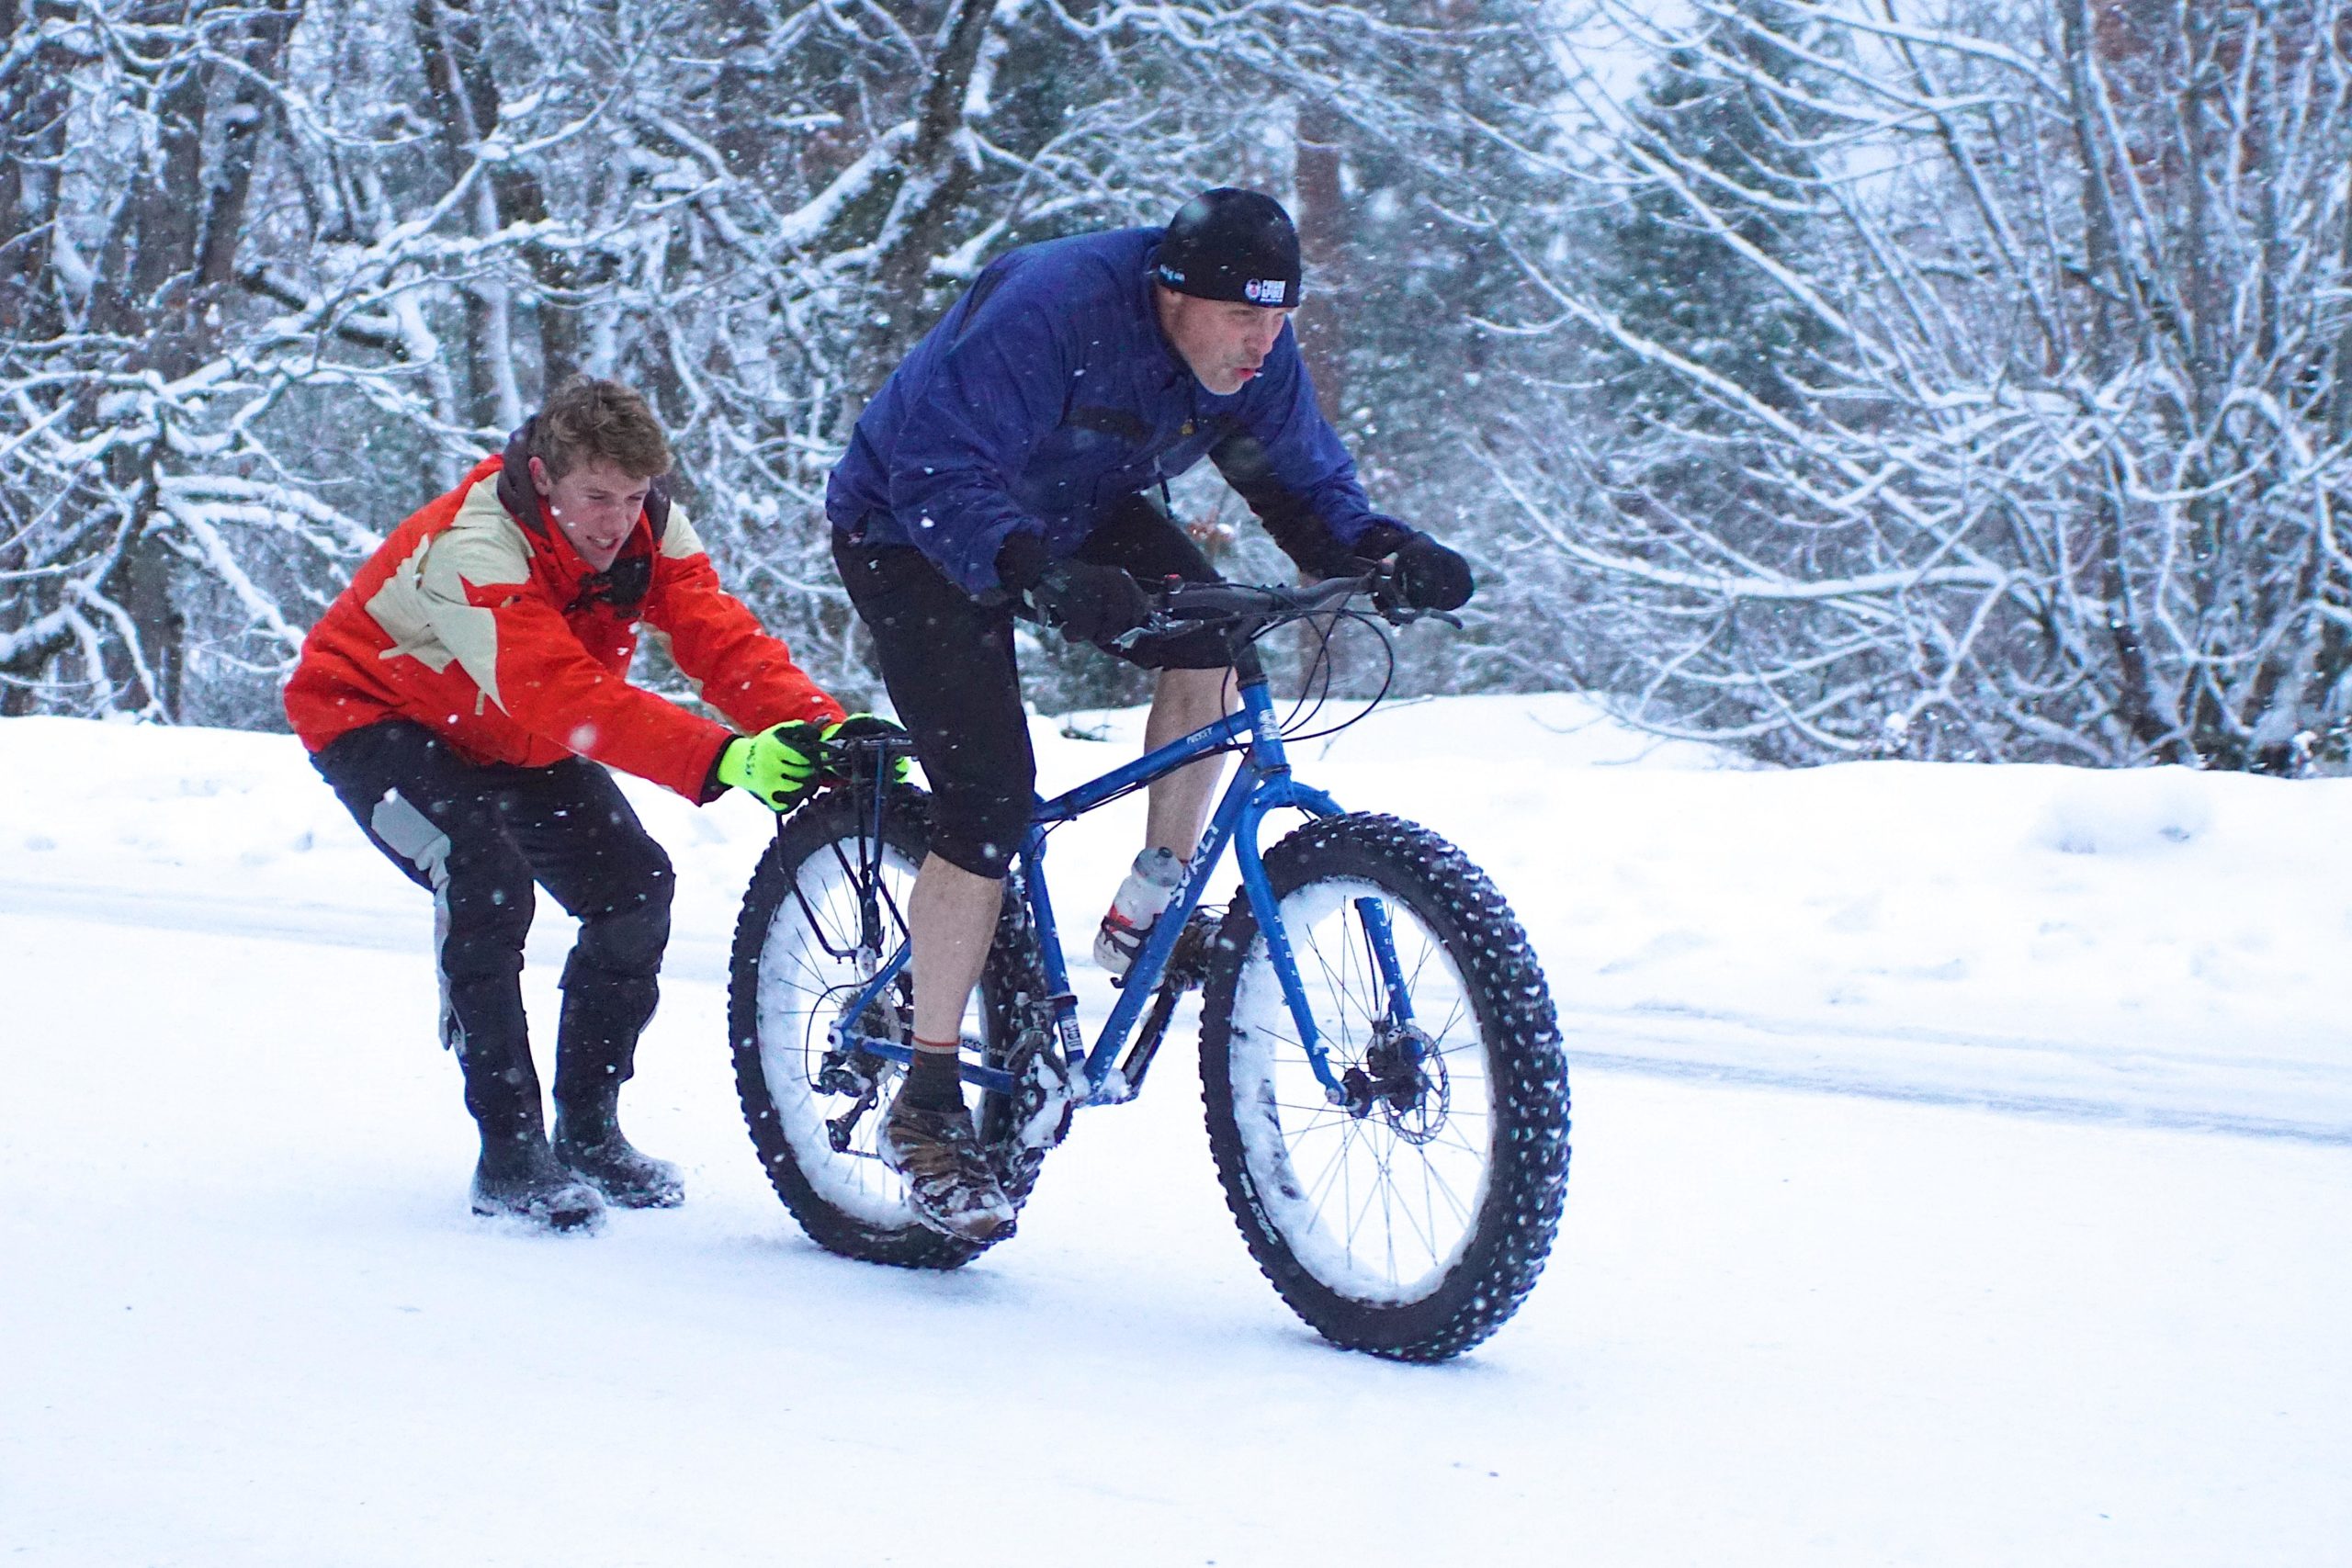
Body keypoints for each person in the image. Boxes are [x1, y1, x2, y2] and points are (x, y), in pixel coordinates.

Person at [825, 188, 1476, 1242]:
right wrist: (1033, 572)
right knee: (988, 803)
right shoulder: (1053, 306)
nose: (1261, 343)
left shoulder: (1253, 354)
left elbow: (1299, 486)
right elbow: (934, 467)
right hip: (908, 522)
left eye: (1278, 320)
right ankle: (929, 1101)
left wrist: (1382, 554)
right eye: (1240, 319)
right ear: (1169, 292)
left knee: (1210, 634)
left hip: (1072, 507)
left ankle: (1148, 904)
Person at [287, 377, 881, 1231]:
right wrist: (725, 757)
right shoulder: (476, 544)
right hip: (376, 720)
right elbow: (558, 693)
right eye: (596, 496)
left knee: (634, 890)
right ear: (543, 476)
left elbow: (722, 640)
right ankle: (511, 1151)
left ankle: (590, 1131)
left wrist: (822, 732)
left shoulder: (650, 530)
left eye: (633, 496)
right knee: (486, 880)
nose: (615, 521)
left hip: (509, 730)